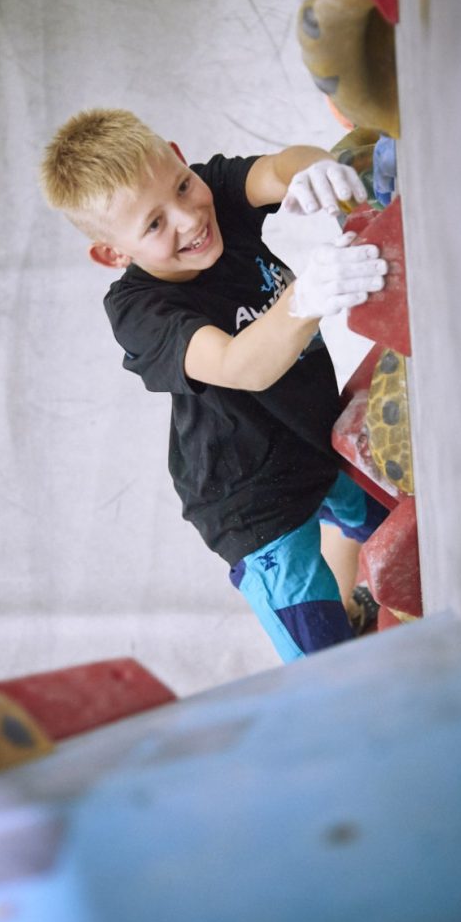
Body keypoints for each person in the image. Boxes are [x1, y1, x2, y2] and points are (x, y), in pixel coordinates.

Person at [40, 108, 388, 662]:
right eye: (154, 224)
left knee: (403, 536)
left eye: (182, 186)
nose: (188, 218)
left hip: (315, 445)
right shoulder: (139, 310)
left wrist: (315, 169)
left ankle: (360, 602)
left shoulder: (210, 193)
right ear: (114, 253)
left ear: (179, 157)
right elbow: (239, 365)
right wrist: (305, 299)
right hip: (252, 501)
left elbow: (279, 168)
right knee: (330, 669)